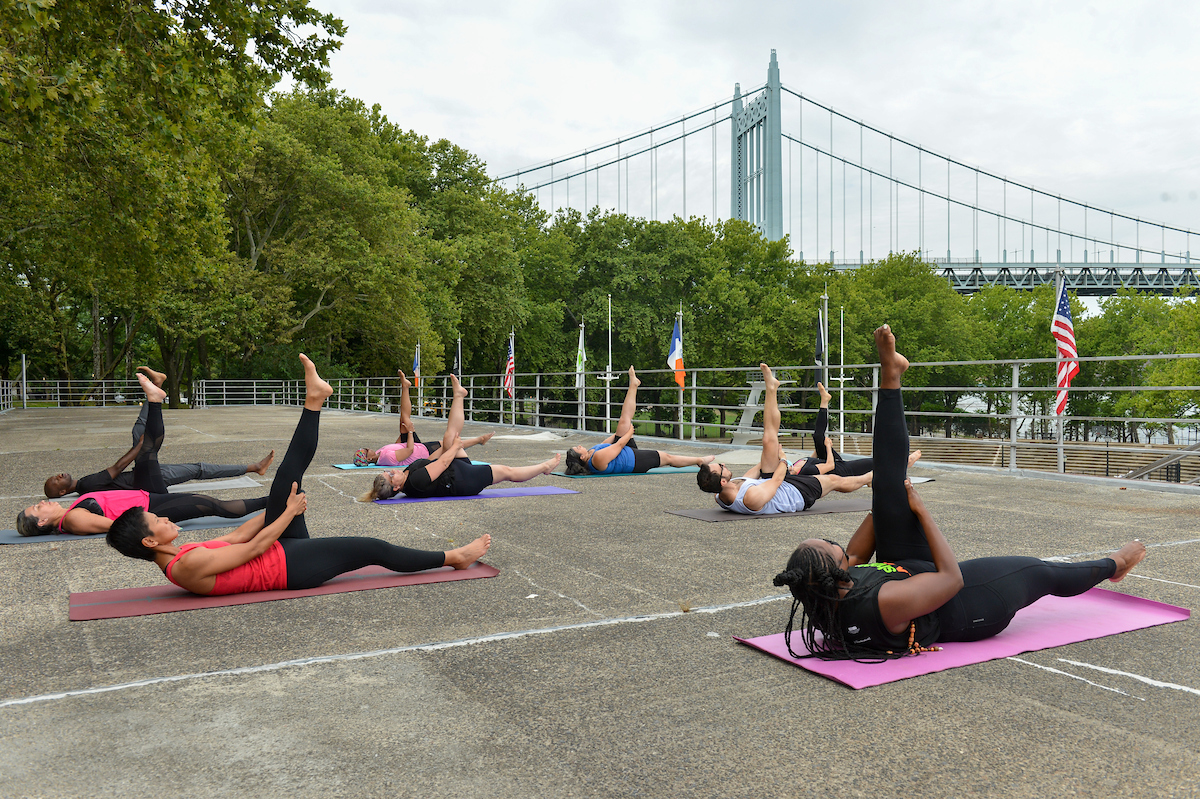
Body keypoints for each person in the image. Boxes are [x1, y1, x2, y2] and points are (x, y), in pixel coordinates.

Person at [772, 324, 1148, 661]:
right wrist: (919, 511)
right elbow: (951, 579)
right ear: (836, 572)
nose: (834, 543)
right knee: (1040, 571)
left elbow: (855, 553)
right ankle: (1115, 565)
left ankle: (891, 375)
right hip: (966, 602)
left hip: (904, 567)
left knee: (887, 483)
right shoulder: (882, 601)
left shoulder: (822, 592)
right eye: (830, 546)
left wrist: (888, 499)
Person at [106, 354, 491, 596]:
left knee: (285, 482)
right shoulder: (185, 567)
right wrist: (287, 513)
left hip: (279, 549)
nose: (164, 518)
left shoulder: (181, 553)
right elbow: (253, 549)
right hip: (290, 568)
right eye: (157, 521)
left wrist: (276, 509)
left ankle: (314, 400)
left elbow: (238, 536)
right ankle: (453, 557)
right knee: (370, 548)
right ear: (149, 542)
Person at [17, 374, 269, 536]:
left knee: (147, 450)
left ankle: (155, 399)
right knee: (214, 505)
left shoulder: (72, 509)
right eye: (38, 508)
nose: (42, 503)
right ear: (42, 522)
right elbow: (120, 526)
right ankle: (273, 501)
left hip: (146, 494)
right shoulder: (73, 519)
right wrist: (158, 526)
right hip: (153, 506)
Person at [44, 367, 274, 498]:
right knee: (198, 468)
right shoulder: (85, 485)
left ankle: (156, 385)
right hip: (148, 479)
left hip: (142, 473)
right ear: (62, 492)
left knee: (139, 429)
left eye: (55, 475)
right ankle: (255, 467)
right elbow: (117, 467)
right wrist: (139, 447)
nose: (59, 474)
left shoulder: (84, 486)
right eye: (56, 480)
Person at [696, 364, 873, 514]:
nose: (723, 464)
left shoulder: (720, 493)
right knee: (834, 480)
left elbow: (752, 475)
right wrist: (782, 459)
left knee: (768, 439)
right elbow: (777, 481)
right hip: (796, 493)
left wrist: (770, 452)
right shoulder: (750, 499)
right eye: (721, 467)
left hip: (771, 483)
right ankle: (870, 477)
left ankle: (771, 388)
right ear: (722, 481)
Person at [359, 373, 560, 501]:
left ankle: (458, 396)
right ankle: (544, 467)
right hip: (463, 481)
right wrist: (454, 447)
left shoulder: (406, 474)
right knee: (507, 471)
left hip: (454, 470)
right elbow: (443, 462)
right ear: (396, 486)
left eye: (387, 471)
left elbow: (430, 460)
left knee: (449, 438)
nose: (391, 471)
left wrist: (449, 445)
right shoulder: (415, 482)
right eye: (390, 475)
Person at [563, 367, 716, 476]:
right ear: (581, 457)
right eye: (578, 447)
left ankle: (633, 385)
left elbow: (607, 442)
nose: (580, 445)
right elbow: (618, 445)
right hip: (634, 461)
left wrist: (621, 429)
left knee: (623, 420)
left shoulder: (591, 452)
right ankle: (699, 460)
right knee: (667, 458)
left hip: (624, 451)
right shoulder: (596, 460)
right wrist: (629, 432)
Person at [352, 370, 492, 468]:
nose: (368, 448)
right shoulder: (386, 458)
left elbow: (397, 446)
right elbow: (409, 451)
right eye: (366, 450)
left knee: (404, 419)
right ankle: (479, 439)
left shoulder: (379, 453)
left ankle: (405, 387)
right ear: (368, 458)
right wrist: (410, 432)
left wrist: (403, 432)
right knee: (449, 444)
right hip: (422, 452)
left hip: (416, 447)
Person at [791, 381, 919, 477]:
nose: (790, 468)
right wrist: (828, 447)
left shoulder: (795, 465)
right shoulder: (805, 471)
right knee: (876, 462)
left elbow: (814, 458)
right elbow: (830, 465)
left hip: (831, 461)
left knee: (818, 437)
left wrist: (820, 446)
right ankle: (905, 462)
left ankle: (824, 401)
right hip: (842, 469)